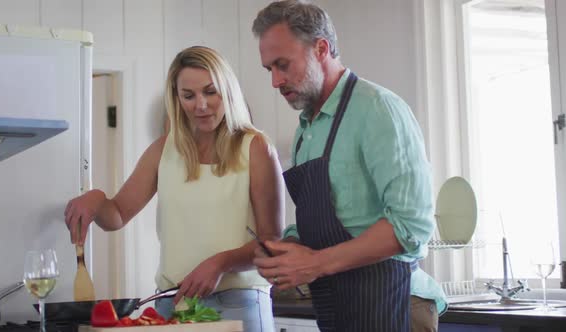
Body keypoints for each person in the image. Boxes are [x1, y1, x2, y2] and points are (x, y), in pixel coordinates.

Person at [250, 1, 447, 331]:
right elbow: (324, 221)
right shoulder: (305, 132)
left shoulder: (378, 109)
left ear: (321, 48)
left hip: (395, 301)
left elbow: (410, 226)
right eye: (269, 69)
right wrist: (288, 251)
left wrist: (314, 263)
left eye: (283, 65)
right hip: (338, 304)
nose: (275, 81)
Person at [64, 46, 284, 332]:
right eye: (188, 96)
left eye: (210, 92)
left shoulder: (255, 148)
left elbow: (271, 242)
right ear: (176, 99)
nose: (201, 105)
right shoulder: (163, 150)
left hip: (239, 303)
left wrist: (221, 263)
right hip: (174, 304)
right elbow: (117, 214)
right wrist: (97, 200)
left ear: (227, 91)